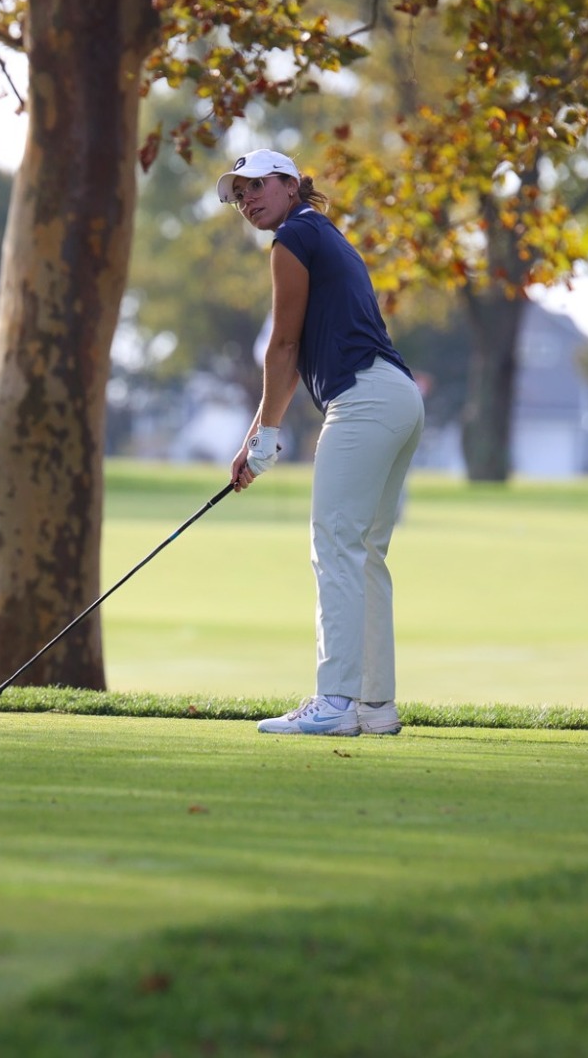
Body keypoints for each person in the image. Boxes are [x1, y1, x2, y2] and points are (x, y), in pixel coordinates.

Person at [220, 148, 425, 737]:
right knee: (363, 556)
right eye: (239, 194)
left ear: (290, 184)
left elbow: (283, 346)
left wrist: (263, 437)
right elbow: (288, 356)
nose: (247, 199)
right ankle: (374, 707)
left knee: (335, 545)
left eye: (257, 185)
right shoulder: (323, 233)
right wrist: (261, 436)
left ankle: (335, 701)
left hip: (364, 401)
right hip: (397, 398)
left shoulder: (293, 240)